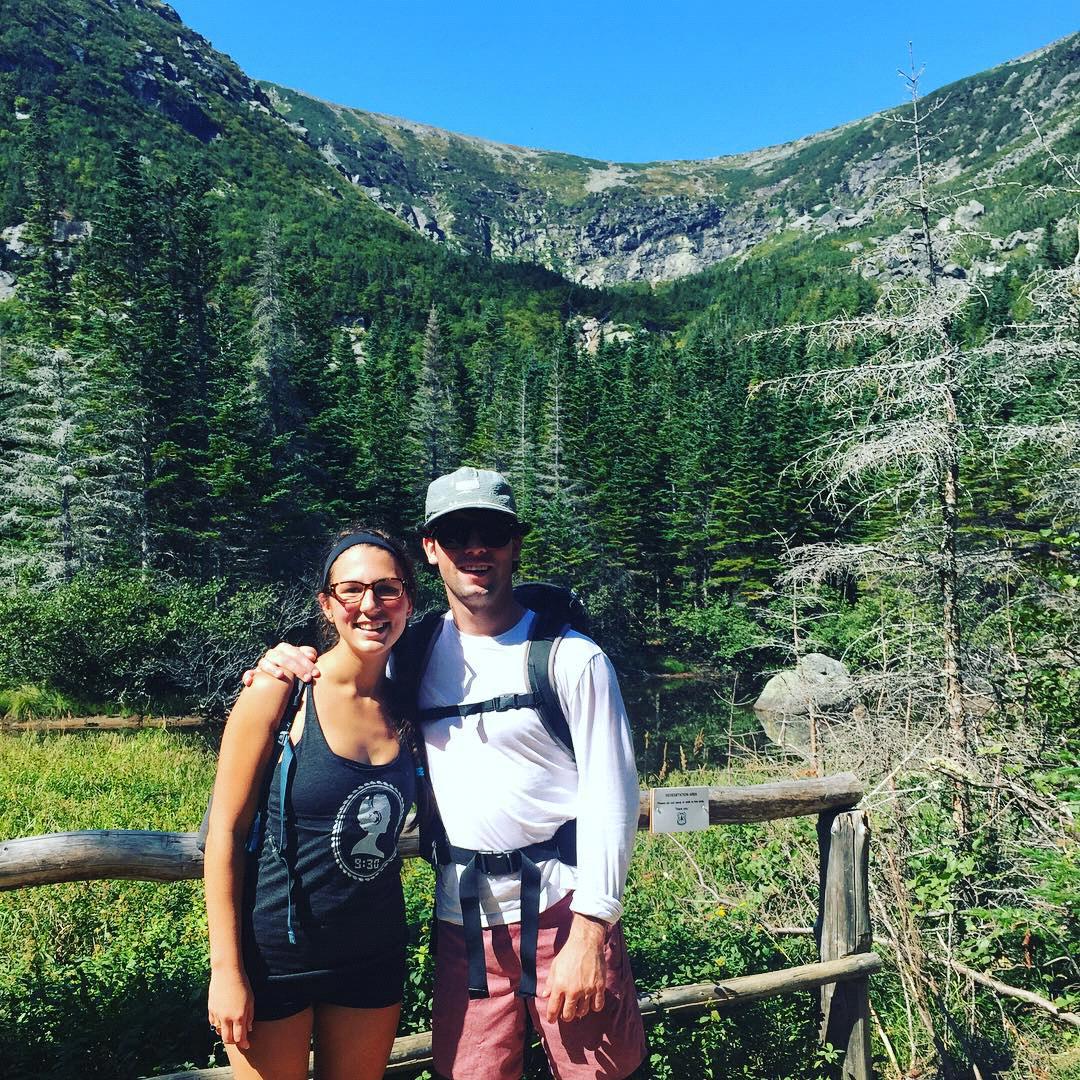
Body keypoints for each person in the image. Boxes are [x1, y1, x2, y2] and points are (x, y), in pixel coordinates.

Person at [252, 467, 647, 1080]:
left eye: (491, 533)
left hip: (566, 911)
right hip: (464, 920)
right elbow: (346, 664)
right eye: (456, 534)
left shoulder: (572, 659)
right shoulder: (411, 654)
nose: (475, 548)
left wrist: (592, 931)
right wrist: (281, 661)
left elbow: (612, 796)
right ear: (431, 549)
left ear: (515, 543)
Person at [205, 528, 419, 1080]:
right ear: (327, 604)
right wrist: (226, 970)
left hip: (373, 953)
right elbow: (225, 832)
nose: (370, 605)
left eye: (387, 589)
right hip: (276, 957)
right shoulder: (280, 691)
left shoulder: (410, 701)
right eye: (351, 590)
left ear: (407, 601)